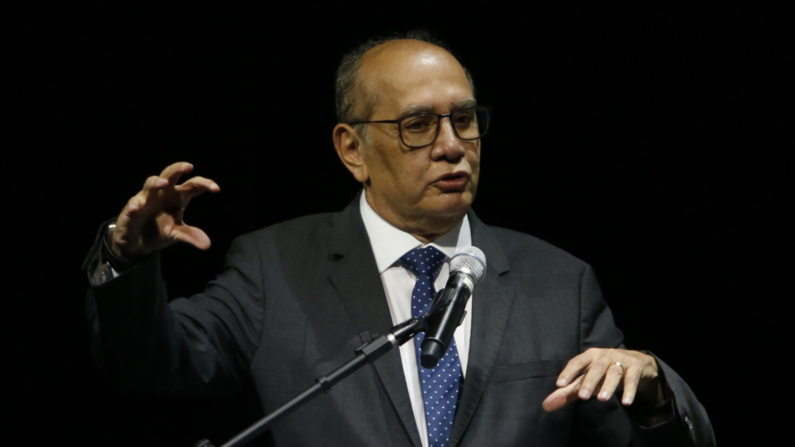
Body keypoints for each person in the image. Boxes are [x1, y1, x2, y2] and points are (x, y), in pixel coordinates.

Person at [84, 31, 715, 446]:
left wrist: (654, 389)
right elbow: (152, 363)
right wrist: (125, 259)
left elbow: (640, 432)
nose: (451, 147)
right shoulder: (274, 267)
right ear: (352, 149)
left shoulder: (559, 282)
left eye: (463, 121)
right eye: (417, 125)